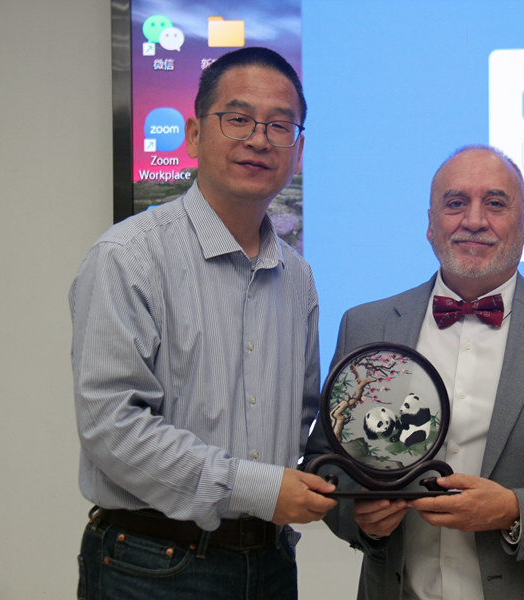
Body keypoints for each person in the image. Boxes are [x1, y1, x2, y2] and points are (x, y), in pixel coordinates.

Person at [305, 145, 524, 600]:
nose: (473, 220)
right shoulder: (367, 325)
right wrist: (362, 519)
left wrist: (514, 510)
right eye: (455, 203)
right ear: (430, 224)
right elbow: (325, 465)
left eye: (495, 203)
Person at [70, 47, 337, 600]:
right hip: (151, 566)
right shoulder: (129, 256)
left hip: (268, 562)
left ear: (298, 151)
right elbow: (112, 426)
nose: (259, 139)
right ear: (193, 135)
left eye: (279, 125)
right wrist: (257, 488)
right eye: (238, 118)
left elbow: (303, 414)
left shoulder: (298, 277)